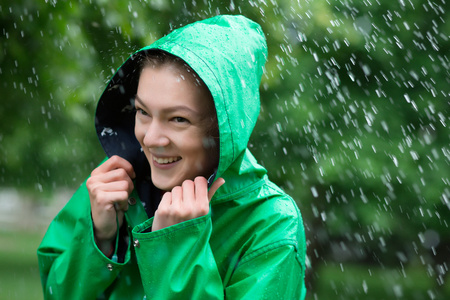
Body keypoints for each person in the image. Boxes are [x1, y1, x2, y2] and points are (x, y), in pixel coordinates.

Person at [37, 15, 307, 299]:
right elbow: (58, 293)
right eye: (143, 112)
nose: (151, 139)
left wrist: (178, 249)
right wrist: (100, 240)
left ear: (224, 130)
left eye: (178, 119)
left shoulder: (270, 224)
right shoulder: (114, 182)